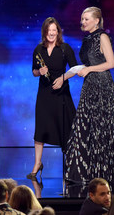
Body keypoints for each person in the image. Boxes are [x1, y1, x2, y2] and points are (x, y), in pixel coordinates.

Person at [65, 7, 114, 188]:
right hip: (89, 87)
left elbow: (110, 63)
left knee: (103, 128)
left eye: (86, 19)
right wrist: (65, 76)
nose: (82, 22)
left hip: (102, 87)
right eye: (82, 19)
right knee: (84, 127)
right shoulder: (86, 39)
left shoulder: (102, 37)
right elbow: (83, 66)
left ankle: (107, 173)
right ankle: (87, 173)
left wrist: (89, 69)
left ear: (96, 20)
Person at [29, 17, 78, 178]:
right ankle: (37, 163)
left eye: (54, 31)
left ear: (58, 32)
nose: (51, 33)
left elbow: (75, 69)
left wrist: (63, 78)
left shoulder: (65, 48)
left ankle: (69, 166)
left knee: (65, 128)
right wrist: (39, 72)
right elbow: (34, 72)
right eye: (49, 31)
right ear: (45, 32)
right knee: (41, 128)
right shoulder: (38, 50)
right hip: (44, 95)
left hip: (61, 93)